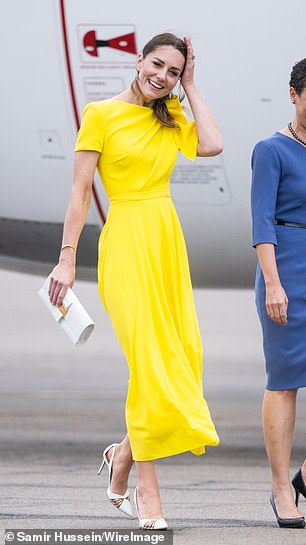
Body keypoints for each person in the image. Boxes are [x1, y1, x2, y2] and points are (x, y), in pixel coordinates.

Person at [49, 32, 222, 530]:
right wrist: (66, 260)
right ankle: (149, 493)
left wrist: (189, 88)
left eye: (173, 72)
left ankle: (121, 456)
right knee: (148, 363)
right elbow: (80, 194)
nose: (161, 77)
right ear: (138, 59)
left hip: (166, 242)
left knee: (180, 356)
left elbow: (213, 144)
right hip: (124, 244)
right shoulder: (100, 115)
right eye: (158, 65)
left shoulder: (170, 117)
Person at [251, 58, 306, 529]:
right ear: (294, 93)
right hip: (285, 269)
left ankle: (305, 474)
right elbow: (262, 223)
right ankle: (280, 489)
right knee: (285, 381)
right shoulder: (271, 150)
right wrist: (273, 283)